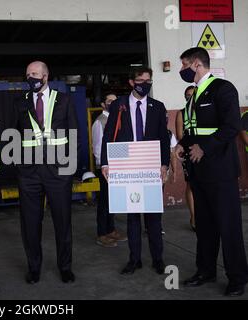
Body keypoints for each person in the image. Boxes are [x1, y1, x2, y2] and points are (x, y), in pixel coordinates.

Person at [175, 47, 248, 297]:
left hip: (220, 170)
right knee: (204, 225)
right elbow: (195, 130)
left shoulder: (223, 89)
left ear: (196, 64)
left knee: (228, 226)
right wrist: (181, 146)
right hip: (199, 171)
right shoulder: (193, 95)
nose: (181, 70)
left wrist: (203, 148)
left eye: (184, 64)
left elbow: (232, 126)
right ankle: (205, 270)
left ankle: (237, 278)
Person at [12, 61, 79, 284]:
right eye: (27, 74)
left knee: (63, 222)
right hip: (29, 173)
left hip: (59, 172)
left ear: (46, 76)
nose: (30, 77)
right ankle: (34, 268)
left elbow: (74, 134)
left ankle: (65, 267)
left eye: (35, 74)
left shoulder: (64, 99)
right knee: (30, 223)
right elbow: (13, 134)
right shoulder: (20, 101)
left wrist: (69, 169)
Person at [101, 66, 170, 276]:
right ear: (132, 82)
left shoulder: (157, 106)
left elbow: (163, 139)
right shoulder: (119, 105)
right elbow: (109, 136)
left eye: (148, 80)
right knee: (132, 217)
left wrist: (164, 164)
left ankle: (158, 259)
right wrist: (106, 162)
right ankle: (135, 259)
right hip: (127, 165)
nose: (145, 84)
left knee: (153, 217)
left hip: (150, 164)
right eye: (141, 80)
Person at [92, 93, 127, 247]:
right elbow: (98, 148)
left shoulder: (118, 119)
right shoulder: (100, 122)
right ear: (103, 104)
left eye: (115, 100)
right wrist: (105, 166)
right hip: (106, 168)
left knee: (113, 200)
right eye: (109, 101)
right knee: (104, 201)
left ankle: (111, 229)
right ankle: (102, 233)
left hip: (118, 167)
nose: (112, 103)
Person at [175, 85, 196, 231]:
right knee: (191, 185)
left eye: (192, 95)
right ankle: (194, 217)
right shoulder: (181, 113)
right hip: (189, 153)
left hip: (205, 152)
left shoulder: (204, 111)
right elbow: (180, 136)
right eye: (187, 95)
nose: (190, 97)